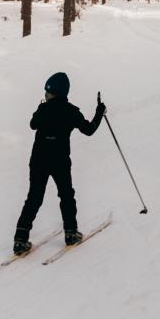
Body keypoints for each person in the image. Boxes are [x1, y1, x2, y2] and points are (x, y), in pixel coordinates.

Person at [13, 72, 106, 254]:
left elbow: (33, 124)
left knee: (34, 198)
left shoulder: (43, 109)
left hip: (38, 159)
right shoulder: (71, 111)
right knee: (66, 195)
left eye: (48, 92)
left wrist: (41, 109)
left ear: (54, 92)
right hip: (59, 160)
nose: (47, 95)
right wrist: (99, 112)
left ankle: (20, 239)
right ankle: (71, 233)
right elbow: (89, 130)